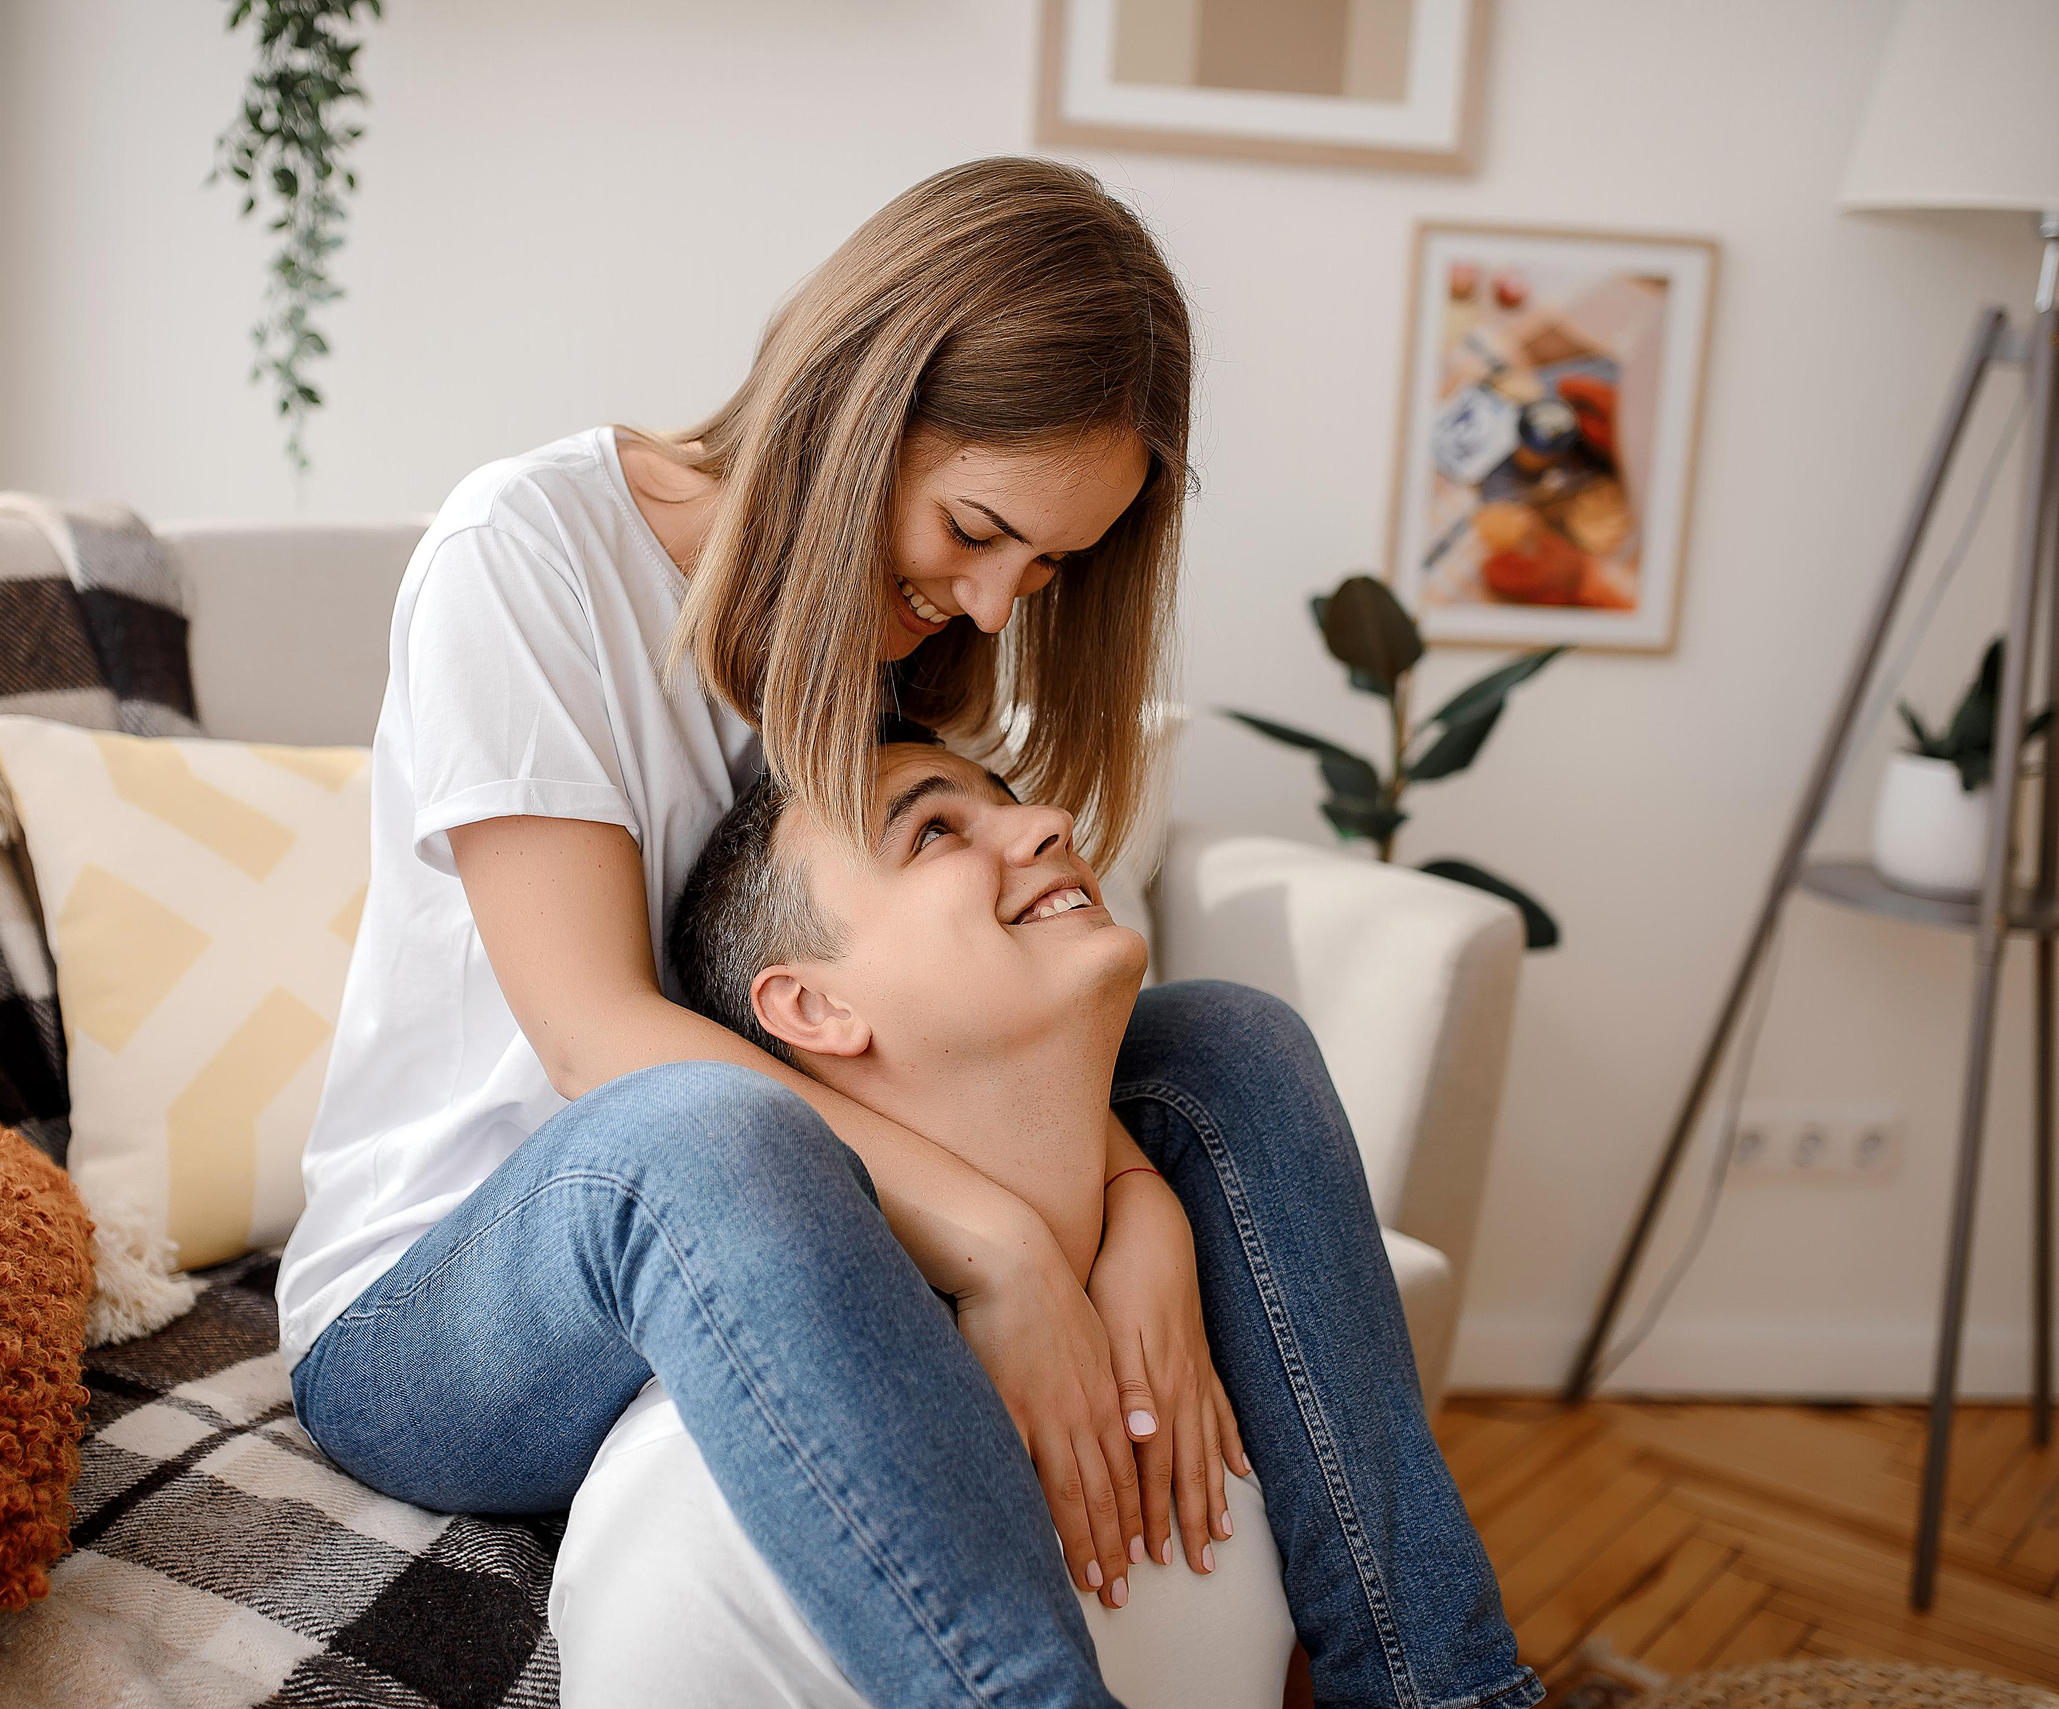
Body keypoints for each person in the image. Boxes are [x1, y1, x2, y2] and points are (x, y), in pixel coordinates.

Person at [278, 155, 1540, 1709]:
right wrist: (1009, 1248)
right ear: (861, 409)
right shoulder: (528, 554)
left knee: (1231, 1045)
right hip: (456, 1307)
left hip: (790, 1224)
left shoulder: (905, 626)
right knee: (702, 1126)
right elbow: (596, 1034)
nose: (1000, 607)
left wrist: (1141, 1212)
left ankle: (1448, 1689)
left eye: (1052, 565)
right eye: (979, 526)